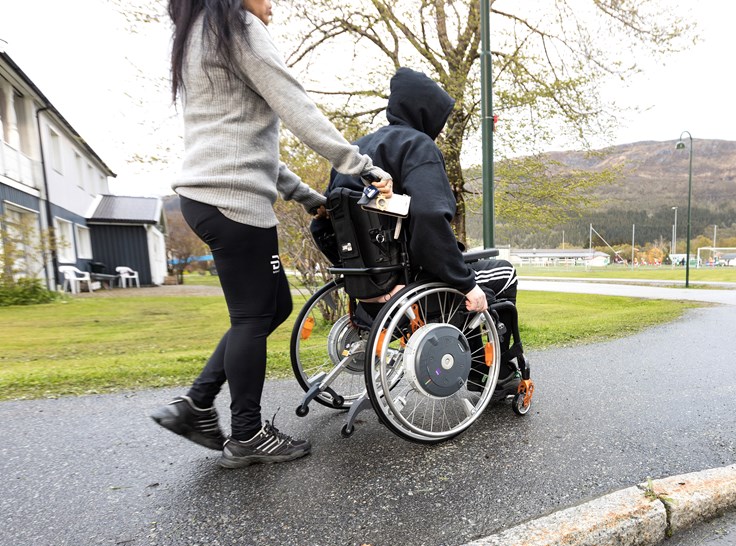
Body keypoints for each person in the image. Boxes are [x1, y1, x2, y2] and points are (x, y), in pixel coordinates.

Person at [150, 0, 392, 468]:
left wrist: (308, 197)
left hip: (209, 197)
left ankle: (197, 403)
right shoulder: (235, 25)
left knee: (272, 307)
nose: (273, 5)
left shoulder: (202, 33)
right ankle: (246, 434)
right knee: (252, 318)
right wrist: (361, 167)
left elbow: (251, 147)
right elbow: (295, 104)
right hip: (234, 201)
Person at [324, 67, 521, 387]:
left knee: (469, 270)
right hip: (414, 287)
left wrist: (361, 277)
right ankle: (486, 374)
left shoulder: (356, 152)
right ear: (426, 112)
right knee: (502, 272)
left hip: (368, 291)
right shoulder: (417, 146)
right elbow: (429, 220)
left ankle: (474, 361)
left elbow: (325, 223)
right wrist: (465, 283)